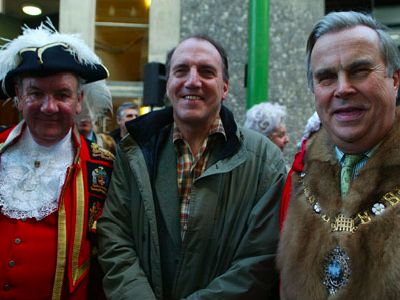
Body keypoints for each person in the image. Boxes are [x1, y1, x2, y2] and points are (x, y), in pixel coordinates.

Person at [97, 34, 286, 299]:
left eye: (207, 72)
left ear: (225, 87)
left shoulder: (265, 160)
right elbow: (115, 236)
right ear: (168, 84)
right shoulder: (133, 152)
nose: (192, 81)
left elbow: (260, 258)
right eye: (181, 70)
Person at [277, 11, 400, 299]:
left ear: (395, 80)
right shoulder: (298, 178)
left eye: (359, 71)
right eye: (326, 77)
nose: (343, 88)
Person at [0, 21, 114, 299]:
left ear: (79, 101)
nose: (48, 107)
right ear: (19, 96)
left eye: (62, 94)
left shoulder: (103, 167)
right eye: (36, 93)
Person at [77, 80, 117, 154]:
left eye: (90, 110)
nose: (85, 116)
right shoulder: (64, 144)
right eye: (82, 111)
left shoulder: (107, 143)